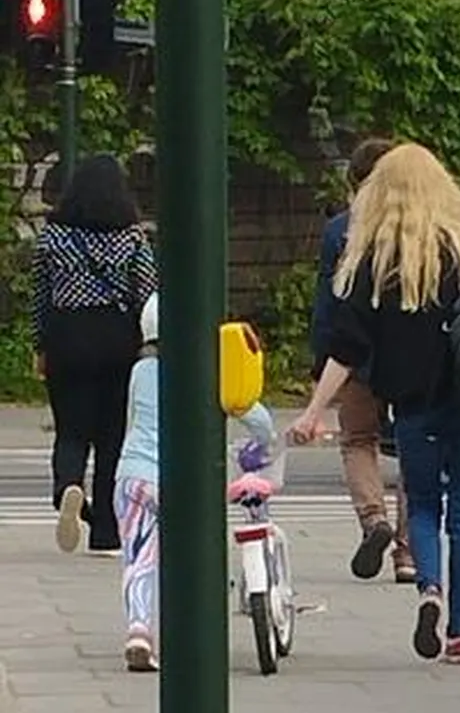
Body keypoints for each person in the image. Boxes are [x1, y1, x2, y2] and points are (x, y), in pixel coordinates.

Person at [288, 143, 460, 664]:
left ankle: (429, 591)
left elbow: (346, 346)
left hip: (414, 404)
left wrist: (313, 410)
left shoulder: (373, 257)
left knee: (421, 504)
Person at [115, 294, 276, 675]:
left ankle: (139, 630)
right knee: (193, 557)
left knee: (139, 559)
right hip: (186, 481)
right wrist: (264, 440)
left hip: (134, 474)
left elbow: (132, 419)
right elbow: (257, 419)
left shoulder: (139, 372)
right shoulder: (212, 371)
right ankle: (193, 629)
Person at [32, 154, 157, 556]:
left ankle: (67, 487)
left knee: (70, 430)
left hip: (67, 336)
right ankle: (106, 529)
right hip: (117, 337)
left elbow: (40, 298)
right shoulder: (132, 237)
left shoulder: (52, 237)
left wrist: (41, 346)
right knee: (112, 436)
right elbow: (147, 291)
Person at [311, 135, 413, 584]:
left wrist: (322, 364)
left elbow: (328, 304)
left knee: (358, 441)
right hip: (411, 356)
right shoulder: (416, 225)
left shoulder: (341, 230)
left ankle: (374, 522)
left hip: (355, 357)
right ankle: (409, 554)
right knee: (414, 448)